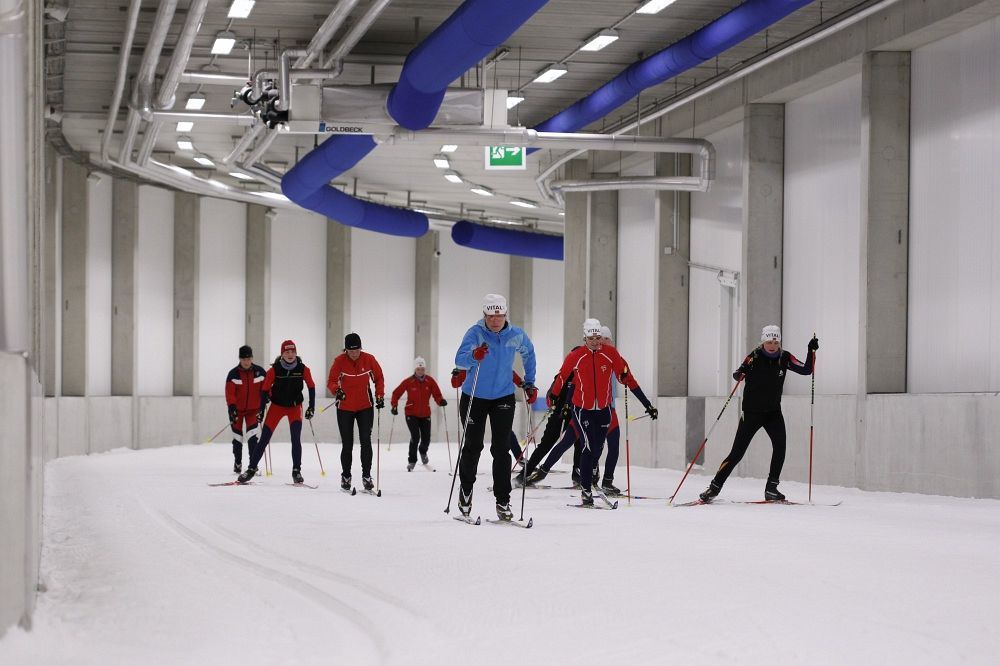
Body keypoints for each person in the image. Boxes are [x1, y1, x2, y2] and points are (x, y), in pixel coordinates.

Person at [699, 325, 818, 502]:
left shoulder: (785, 357)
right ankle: (714, 488)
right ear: (763, 341)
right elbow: (738, 373)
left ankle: (771, 488)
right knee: (737, 453)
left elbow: (806, 370)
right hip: (752, 413)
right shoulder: (754, 356)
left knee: (780, 447)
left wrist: (811, 350)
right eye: (769, 341)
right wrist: (740, 374)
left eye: (775, 341)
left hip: (773, 413)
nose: (772, 345)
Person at [551, 318, 657, 506]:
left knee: (598, 448)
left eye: (598, 337)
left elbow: (628, 379)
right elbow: (562, 377)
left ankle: (592, 475)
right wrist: (553, 396)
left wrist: (647, 404)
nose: (596, 342)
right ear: (585, 338)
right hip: (582, 409)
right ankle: (585, 491)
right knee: (587, 447)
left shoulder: (609, 353)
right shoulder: (576, 356)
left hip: (603, 410)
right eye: (592, 338)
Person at [454, 293, 537, 521]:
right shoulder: (475, 333)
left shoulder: (516, 334)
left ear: (505, 314)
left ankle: (503, 501)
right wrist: (474, 355)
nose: (495, 320)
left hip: (503, 397)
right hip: (474, 397)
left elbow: (528, 353)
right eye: (491, 316)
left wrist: (529, 381)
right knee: (473, 446)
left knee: (501, 450)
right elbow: (460, 360)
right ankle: (465, 494)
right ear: (485, 315)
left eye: (499, 315)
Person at [237, 340, 316, 484]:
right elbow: (264, 390)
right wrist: (261, 410)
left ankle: (296, 471)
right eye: (287, 352)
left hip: (294, 407)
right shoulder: (274, 370)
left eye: (292, 352)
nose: (290, 355)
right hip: (277, 407)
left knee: (295, 439)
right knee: (264, 439)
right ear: (282, 354)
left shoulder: (303, 369)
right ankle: (251, 469)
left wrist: (312, 407)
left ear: (296, 353)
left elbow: (311, 386)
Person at [328, 333, 385, 492]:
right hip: (344, 407)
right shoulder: (339, 361)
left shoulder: (369, 359)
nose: (354, 353)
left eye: (357, 350)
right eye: (351, 351)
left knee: (366, 440)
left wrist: (379, 395)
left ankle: (366, 476)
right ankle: (346, 476)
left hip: (365, 406)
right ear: (346, 350)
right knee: (347, 443)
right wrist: (336, 391)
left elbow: (379, 378)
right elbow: (331, 381)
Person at [390, 357, 447, 472]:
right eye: (418, 369)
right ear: (415, 369)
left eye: (422, 369)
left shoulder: (430, 381)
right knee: (415, 437)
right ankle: (412, 460)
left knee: (426, 439)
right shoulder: (409, 381)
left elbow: (437, 394)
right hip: (411, 413)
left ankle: (423, 451)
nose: (420, 371)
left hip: (425, 414)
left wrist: (440, 400)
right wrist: (394, 405)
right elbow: (396, 393)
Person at [224, 345, 267, 473]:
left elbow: (266, 387)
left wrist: (267, 397)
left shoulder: (260, 372)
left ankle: (252, 465)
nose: (246, 362)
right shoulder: (233, 374)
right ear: (240, 359)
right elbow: (229, 393)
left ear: (252, 358)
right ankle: (237, 462)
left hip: (253, 410)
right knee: (237, 438)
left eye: (248, 359)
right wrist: (232, 407)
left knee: (253, 438)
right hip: (236, 411)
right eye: (243, 359)